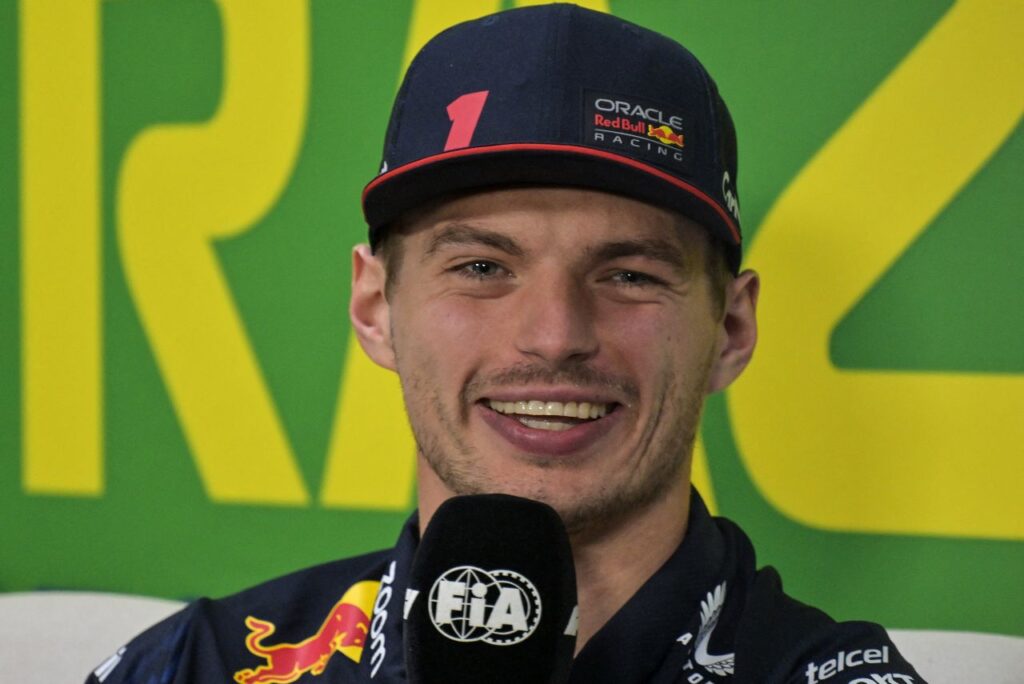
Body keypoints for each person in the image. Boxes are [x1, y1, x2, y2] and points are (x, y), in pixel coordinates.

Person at [87, 5, 924, 683]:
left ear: (731, 330)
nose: (554, 337)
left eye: (629, 274)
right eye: (482, 267)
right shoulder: (202, 666)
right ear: (375, 306)